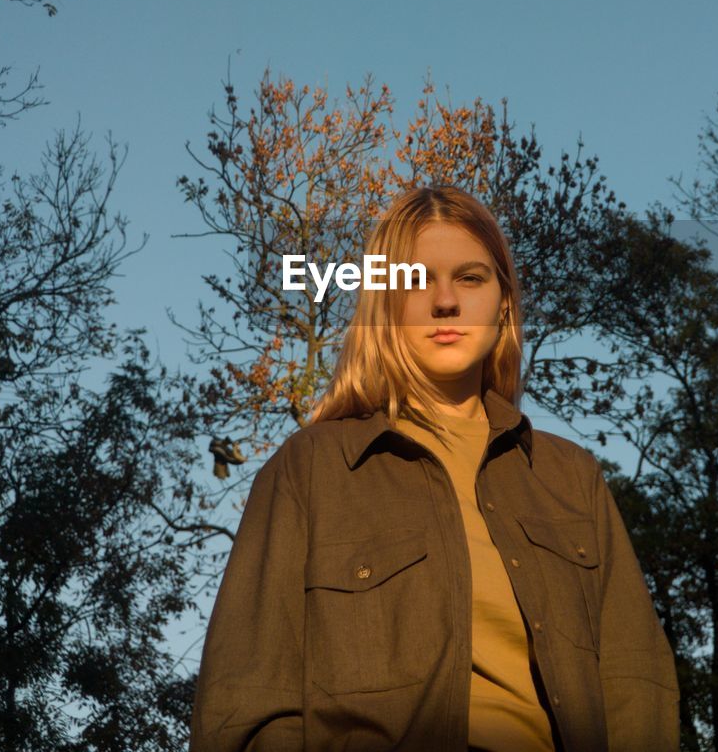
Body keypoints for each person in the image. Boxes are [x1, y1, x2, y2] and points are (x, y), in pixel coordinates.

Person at [190, 185, 679, 751]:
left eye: (470, 278)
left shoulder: (572, 478)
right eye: (416, 280)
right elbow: (245, 708)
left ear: (504, 302)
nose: (445, 301)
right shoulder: (310, 469)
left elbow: (634, 685)